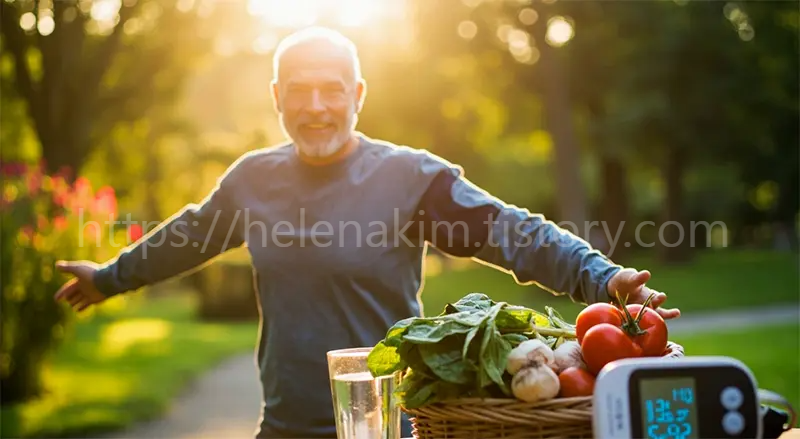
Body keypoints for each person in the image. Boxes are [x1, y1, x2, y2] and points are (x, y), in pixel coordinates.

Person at [54, 26, 680, 439]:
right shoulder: (253, 181)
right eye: (301, 91)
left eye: (333, 90)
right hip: (284, 427)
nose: (317, 106)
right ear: (278, 98)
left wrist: (605, 278)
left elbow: (513, 231)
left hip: (388, 429)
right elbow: (187, 235)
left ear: (358, 94)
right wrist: (110, 278)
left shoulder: (412, 180)